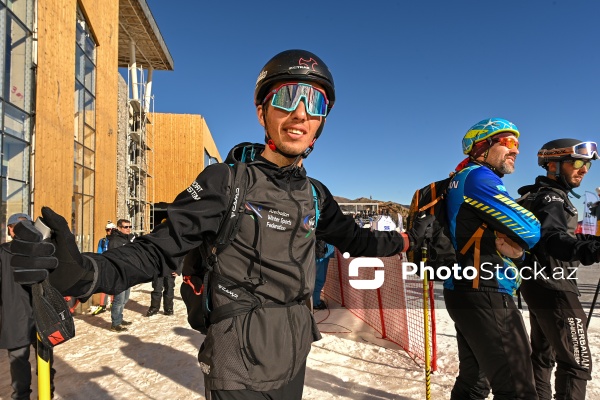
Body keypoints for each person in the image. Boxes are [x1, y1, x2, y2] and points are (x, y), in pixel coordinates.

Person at [8, 49, 432, 400]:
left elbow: (356, 239)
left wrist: (406, 241)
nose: (300, 113)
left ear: (322, 121)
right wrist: (90, 272)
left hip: (294, 352)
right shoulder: (226, 183)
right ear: (262, 111)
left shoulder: (316, 196)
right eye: (287, 98)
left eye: (315, 103)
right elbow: (159, 248)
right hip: (238, 364)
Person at [444, 118, 542, 399]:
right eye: (509, 142)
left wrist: (516, 251)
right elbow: (531, 229)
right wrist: (519, 246)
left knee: (474, 383)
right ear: (482, 147)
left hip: (463, 290)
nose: (517, 151)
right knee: (518, 388)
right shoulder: (478, 177)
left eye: (518, 144)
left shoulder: (460, 177)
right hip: (486, 291)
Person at [517, 139, 600, 400]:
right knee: (577, 364)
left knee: (543, 356)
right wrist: (590, 251)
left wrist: (590, 244)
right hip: (555, 286)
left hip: (537, 284)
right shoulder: (552, 198)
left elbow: (557, 237)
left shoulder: (536, 195)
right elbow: (552, 239)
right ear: (552, 164)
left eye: (587, 165)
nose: (584, 170)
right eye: (577, 163)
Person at [1, 213, 56, 399]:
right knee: (35, 362)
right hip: (34, 316)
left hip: (25, 316)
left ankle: (34, 395)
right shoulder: (45, 250)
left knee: (25, 364)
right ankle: (42, 393)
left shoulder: (44, 250)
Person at [146, 219, 182, 317]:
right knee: (157, 289)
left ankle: (168, 309)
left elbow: (182, 255)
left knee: (169, 289)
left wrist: (178, 269)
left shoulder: (177, 239)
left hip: (171, 268)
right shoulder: (155, 238)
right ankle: (154, 308)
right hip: (158, 268)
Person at [108, 219, 134, 332]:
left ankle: (119, 318)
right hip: (119, 274)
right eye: (125, 227)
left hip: (128, 272)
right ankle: (115, 324)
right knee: (119, 299)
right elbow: (113, 257)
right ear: (119, 228)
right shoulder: (115, 240)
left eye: (129, 226)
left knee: (125, 299)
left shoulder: (129, 238)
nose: (128, 229)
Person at [90, 221, 116, 315]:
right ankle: (102, 305)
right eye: (107, 230)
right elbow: (99, 252)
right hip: (105, 264)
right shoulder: (103, 241)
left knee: (114, 284)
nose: (109, 232)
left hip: (114, 264)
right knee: (104, 284)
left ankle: (113, 303)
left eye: (111, 230)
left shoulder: (117, 240)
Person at [312, 239, 335, 310]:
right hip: (322, 252)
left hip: (321, 251)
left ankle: (314, 300)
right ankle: (315, 303)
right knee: (320, 279)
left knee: (317, 278)